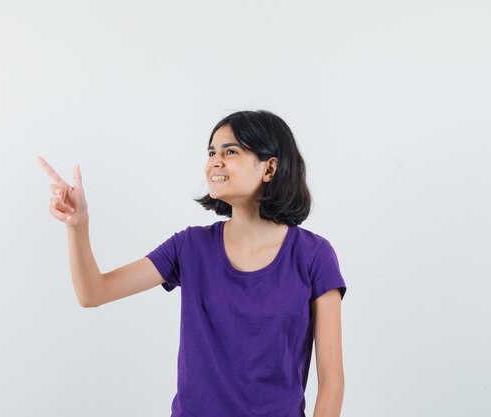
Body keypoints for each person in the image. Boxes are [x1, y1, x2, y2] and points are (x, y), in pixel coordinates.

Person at [37, 109, 347, 417]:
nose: (215, 161)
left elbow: (331, 381)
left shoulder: (313, 256)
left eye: (231, 151)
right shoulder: (190, 246)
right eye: (212, 152)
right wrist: (78, 225)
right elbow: (93, 292)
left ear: (269, 168)